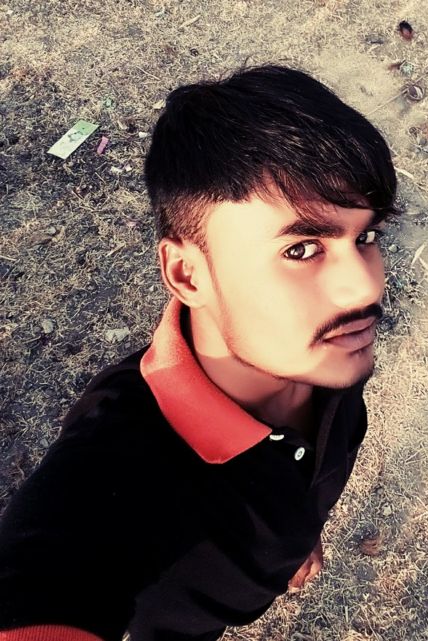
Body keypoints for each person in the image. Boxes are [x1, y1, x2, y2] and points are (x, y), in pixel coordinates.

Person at [0, 64, 398, 641]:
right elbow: (38, 583)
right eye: (302, 248)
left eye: (367, 236)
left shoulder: (323, 353)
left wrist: (300, 534)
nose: (363, 288)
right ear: (187, 274)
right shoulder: (117, 466)